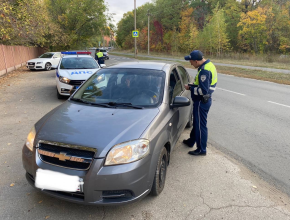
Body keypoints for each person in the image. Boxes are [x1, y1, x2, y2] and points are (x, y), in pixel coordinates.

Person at [183, 50, 217, 156]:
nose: (190, 63)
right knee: (197, 123)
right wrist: (193, 85)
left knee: (200, 126)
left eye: (191, 61)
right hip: (204, 100)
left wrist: (190, 88)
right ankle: (191, 141)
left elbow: (203, 91)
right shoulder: (209, 65)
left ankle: (201, 149)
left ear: (196, 61)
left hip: (201, 101)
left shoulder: (204, 71)